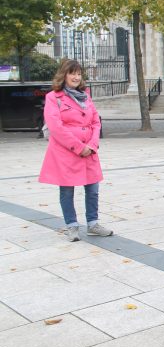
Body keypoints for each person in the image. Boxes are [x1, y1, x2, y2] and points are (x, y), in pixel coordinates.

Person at [39, 59, 113, 242]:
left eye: (79, 74)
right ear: (64, 75)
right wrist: (79, 147)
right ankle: (71, 225)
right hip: (66, 152)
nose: (76, 77)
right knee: (66, 190)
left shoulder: (86, 96)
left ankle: (93, 223)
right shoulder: (53, 97)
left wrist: (93, 144)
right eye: (72, 73)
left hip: (89, 150)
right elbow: (56, 127)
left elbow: (96, 121)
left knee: (93, 188)